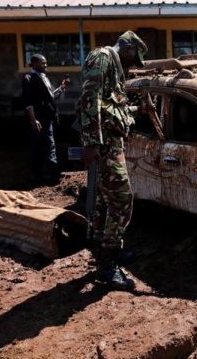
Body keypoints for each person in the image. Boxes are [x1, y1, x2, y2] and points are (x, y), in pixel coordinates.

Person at [76, 31, 149, 291]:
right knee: (122, 198)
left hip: (110, 142)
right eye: (134, 58)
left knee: (105, 200)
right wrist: (90, 142)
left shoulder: (112, 65)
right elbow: (90, 98)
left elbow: (110, 105)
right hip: (103, 144)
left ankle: (106, 252)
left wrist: (137, 110)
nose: (133, 65)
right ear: (127, 47)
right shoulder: (103, 57)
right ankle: (107, 264)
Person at [22, 54, 68, 184]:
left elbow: (51, 97)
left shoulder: (44, 78)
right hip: (39, 119)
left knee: (46, 146)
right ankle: (52, 176)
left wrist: (62, 88)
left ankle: (45, 175)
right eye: (43, 63)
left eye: (46, 63)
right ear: (35, 63)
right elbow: (28, 102)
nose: (45, 65)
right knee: (45, 146)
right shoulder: (29, 79)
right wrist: (33, 119)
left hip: (48, 118)